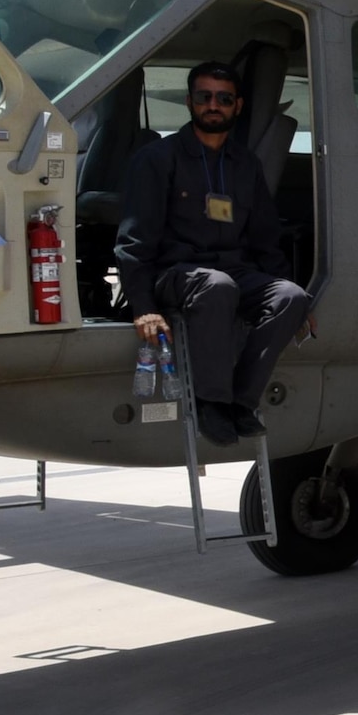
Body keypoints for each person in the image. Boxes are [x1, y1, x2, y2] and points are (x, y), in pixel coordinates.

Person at [116, 61, 308, 445]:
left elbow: (265, 239)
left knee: (292, 297)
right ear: (190, 102)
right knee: (217, 286)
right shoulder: (157, 159)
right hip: (176, 273)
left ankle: (241, 402)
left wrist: (299, 305)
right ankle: (210, 403)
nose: (213, 105)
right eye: (205, 97)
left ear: (237, 106)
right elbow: (134, 241)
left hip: (232, 272)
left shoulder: (246, 165)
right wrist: (143, 305)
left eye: (223, 98)